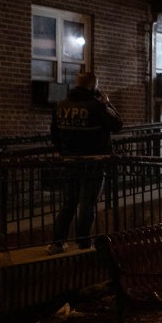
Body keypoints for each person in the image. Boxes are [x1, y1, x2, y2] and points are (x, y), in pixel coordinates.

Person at [48, 72, 124, 254]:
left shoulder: (61, 106)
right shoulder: (96, 106)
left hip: (69, 161)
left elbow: (54, 135)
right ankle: (83, 242)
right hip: (93, 162)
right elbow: (117, 124)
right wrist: (107, 103)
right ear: (93, 86)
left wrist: (65, 152)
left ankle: (57, 243)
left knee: (69, 202)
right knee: (87, 203)